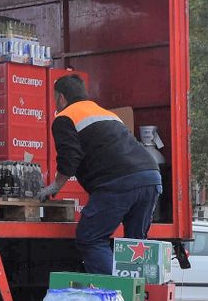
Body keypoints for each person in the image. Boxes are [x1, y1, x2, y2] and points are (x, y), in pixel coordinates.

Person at [40, 74, 162, 274]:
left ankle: (114, 296)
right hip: (150, 176)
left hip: (119, 181)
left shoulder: (65, 117)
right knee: (134, 247)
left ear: (61, 98)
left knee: (91, 238)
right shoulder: (106, 113)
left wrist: (55, 186)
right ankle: (135, 299)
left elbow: (69, 158)